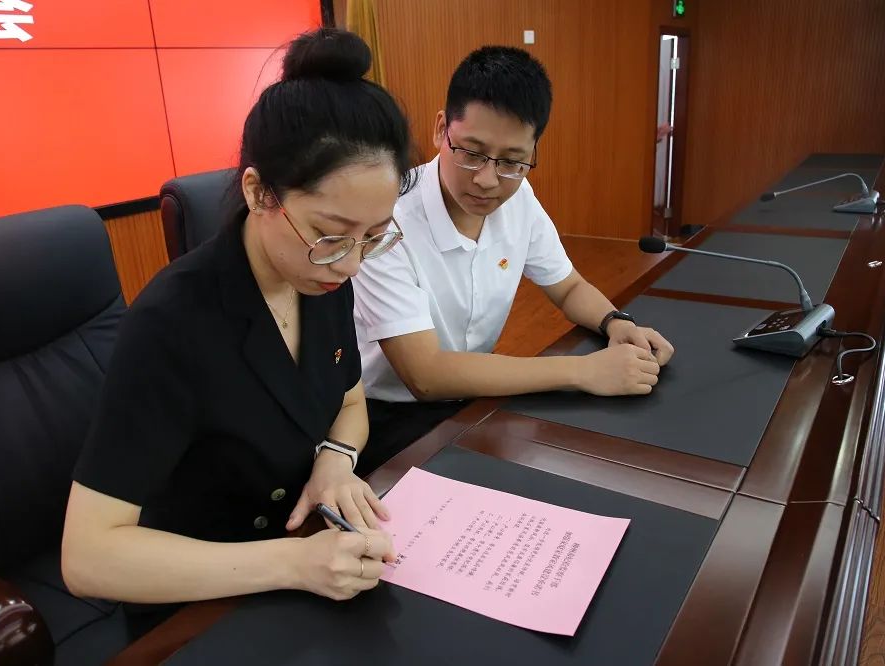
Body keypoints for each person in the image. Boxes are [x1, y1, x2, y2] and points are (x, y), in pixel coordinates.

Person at [61, 28, 414, 612]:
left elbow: (350, 402)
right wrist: (292, 563)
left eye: (373, 236)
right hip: (204, 594)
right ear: (258, 192)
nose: (352, 263)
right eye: (330, 234)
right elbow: (87, 557)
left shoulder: (321, 277)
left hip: (308, 556)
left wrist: (336, 459)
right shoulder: (173, 322)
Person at [352, 46, 675, 474]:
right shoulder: (386, 217)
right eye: (471, 153)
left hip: (474, 395)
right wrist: (583, 371)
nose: (488, 180)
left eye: (512, 161)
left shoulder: (518, 197)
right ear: (441, 129)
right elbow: (425, 375)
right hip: (386, 417)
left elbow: (568, 287)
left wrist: (617, 323)